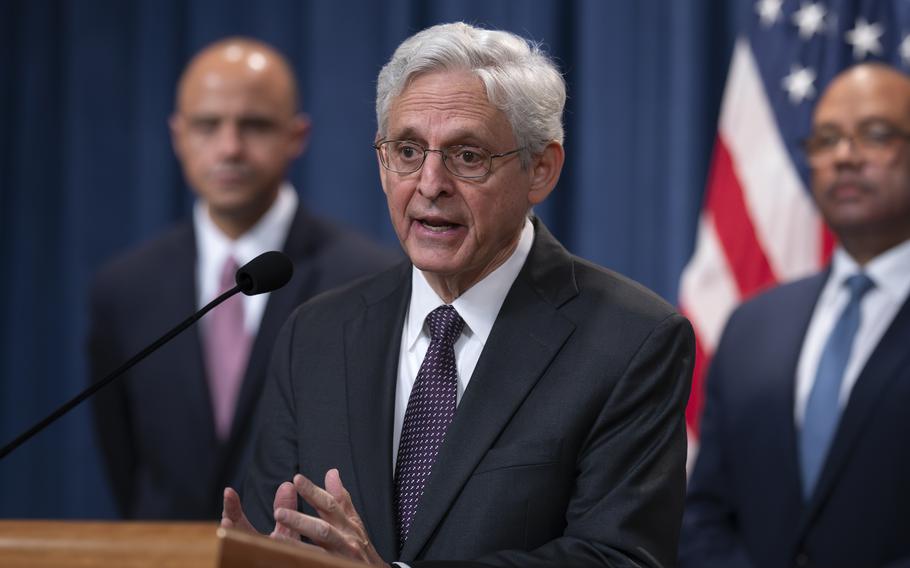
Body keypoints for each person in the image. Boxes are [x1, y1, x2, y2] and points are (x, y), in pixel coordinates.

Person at [220, 22, 695, 567]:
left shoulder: (631, 341)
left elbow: (617, 558)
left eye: (467, 155)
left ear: (540, 169)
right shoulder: (318, 334)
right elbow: (277, 530)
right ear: (381, 162)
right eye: (407, 150)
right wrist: (252, 554)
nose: (429, 183)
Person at [88, 37, 400, 520]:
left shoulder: (370, 277)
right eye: (208, 125)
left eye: (253, 125)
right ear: (178, 135)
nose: (229, 147)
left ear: (297, 136)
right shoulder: (124, 288)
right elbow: (123, 460)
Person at [680, 63, 910, 568]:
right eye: (826, 140)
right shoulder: (753, 326)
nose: (844, 157)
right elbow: (706, 514)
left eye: (874, 135)